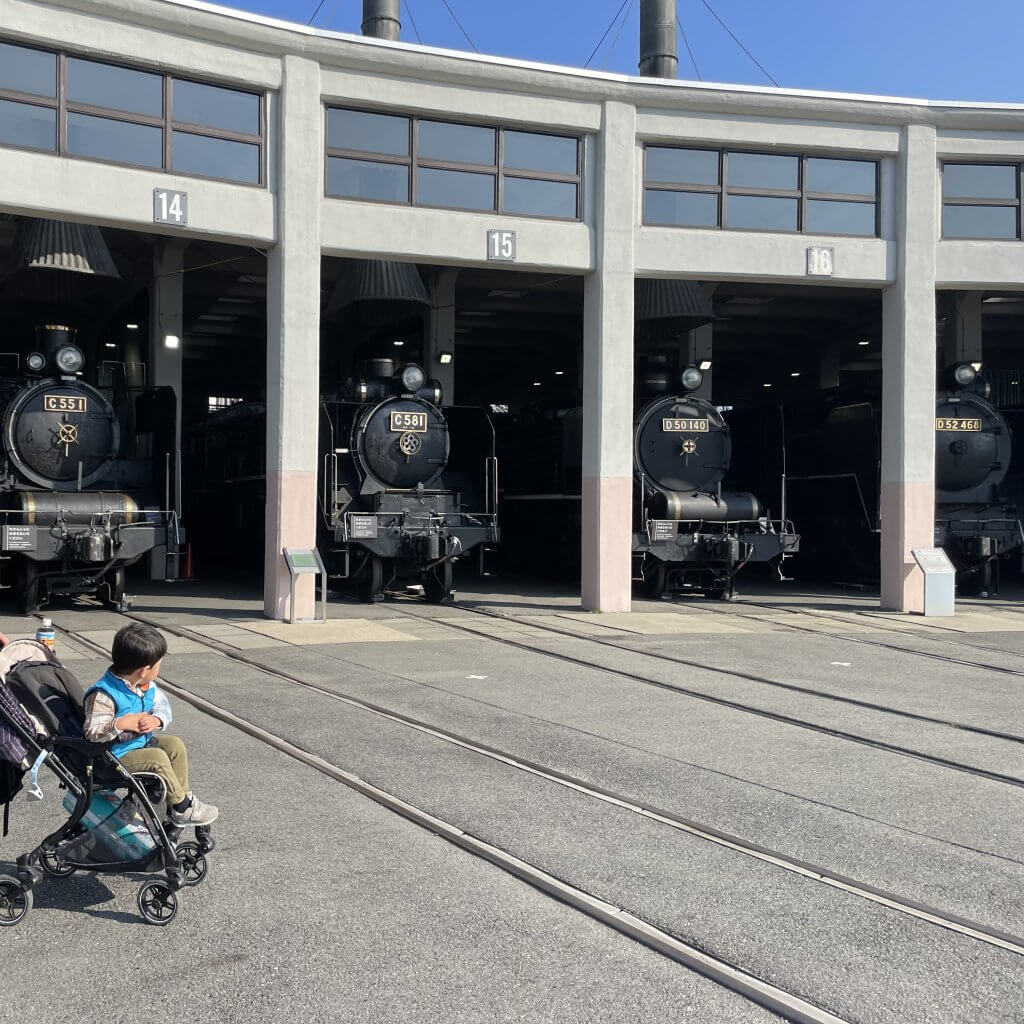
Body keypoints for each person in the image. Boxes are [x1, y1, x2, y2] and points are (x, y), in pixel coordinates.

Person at [83, 623, 218, 827]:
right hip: (112, 758)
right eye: (158, 664)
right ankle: (182, 807)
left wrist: (156, 720)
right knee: (157, 758)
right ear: (144, 670)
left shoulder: (145, 686)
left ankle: (179, 802)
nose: (160, 668)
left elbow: (163, 706)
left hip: (138, 745)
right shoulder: (104, 695)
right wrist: (119, 723)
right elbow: (92, 733)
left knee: (174, 746)